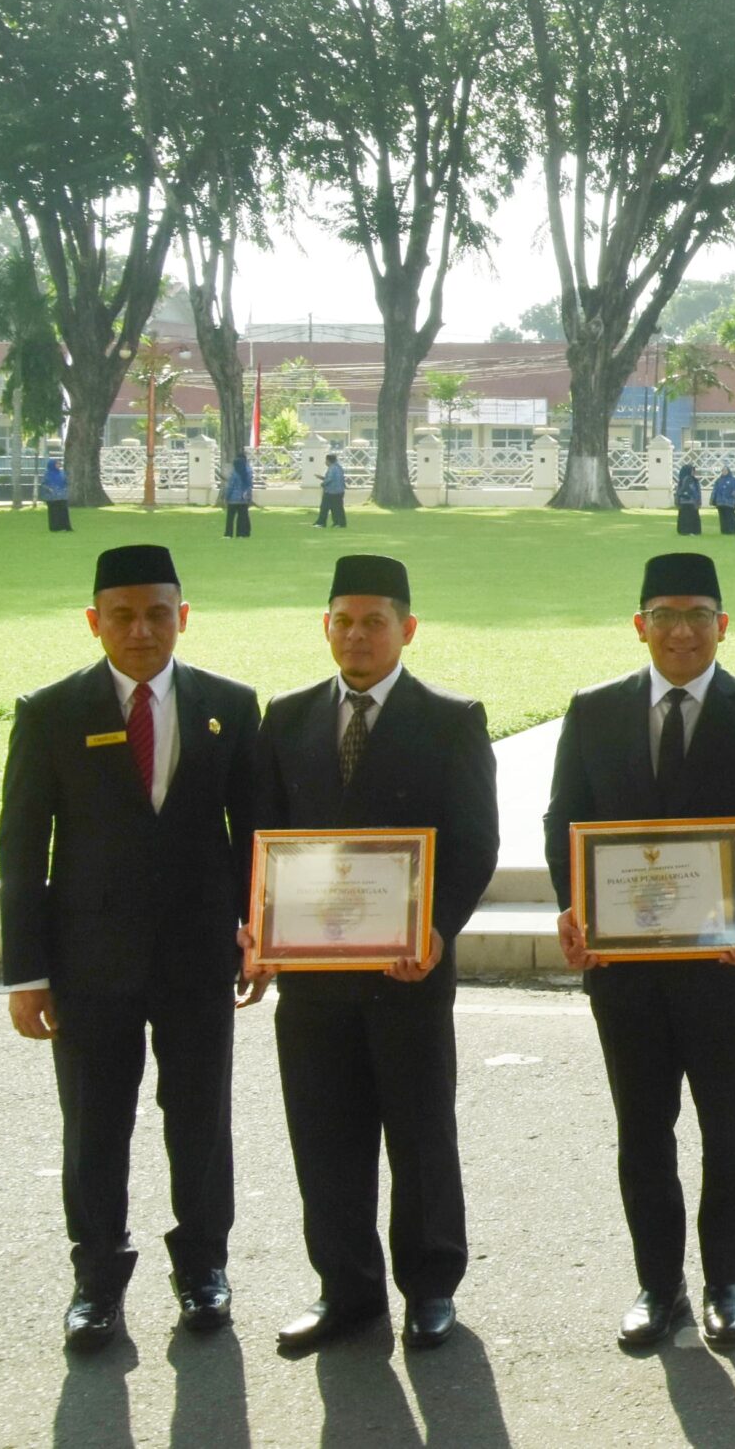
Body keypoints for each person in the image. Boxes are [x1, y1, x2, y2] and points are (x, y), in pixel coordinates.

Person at [545, 553, 735, 1349]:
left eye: (698, 615)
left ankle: (726, 1282)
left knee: (729, 1127)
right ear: (639, 626)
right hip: (625, 969)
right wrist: (573, 905)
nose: (681, 631)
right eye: (664, 615)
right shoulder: (592, 710)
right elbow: (562, 822)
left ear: (722, 626)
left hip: (725, 969)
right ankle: (657, 1284)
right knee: (643, 1129)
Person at [0, 545, 260, 1352]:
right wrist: (27, 972)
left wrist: (261, 936)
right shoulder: (49, 711)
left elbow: (254, 834)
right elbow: (20, 845)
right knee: (95, 1124)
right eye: (122, 614)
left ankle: (205, 1270)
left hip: (198, 957)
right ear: (94, 621)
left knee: (201, 1120)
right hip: (88, 965)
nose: (141, 630)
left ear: (184, 616)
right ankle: (96, 1279)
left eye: (157, 613)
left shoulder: (230, 705)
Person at [246, 556, 498, 1355]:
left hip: (409, 970)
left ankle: (430, 1288)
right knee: (324, 1135)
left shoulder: (450, 718)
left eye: (375, 622)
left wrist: (437, 928)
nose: (357, 636)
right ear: (326, 627)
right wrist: (253, 926)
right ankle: (345, 1290)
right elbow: (258, 839)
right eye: (343, 622)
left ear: (407, 629)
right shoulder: (283, 719)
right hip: (314, 978)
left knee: (420, 1133)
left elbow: (474, 841)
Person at [224, 450, 255, 539]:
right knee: (242, 517)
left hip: (233, 499)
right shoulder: (248, 472)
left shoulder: (234, 473)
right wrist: (248, 496)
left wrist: (227, 497)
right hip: (243, 499)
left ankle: (228, 534)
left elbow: (230, 486)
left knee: (230, 517)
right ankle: (241, 534)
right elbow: (249, 485)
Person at [316, 453, 349, 528]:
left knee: (324, 507)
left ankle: (321, 523)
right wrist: (322, 478)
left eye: (326, 460)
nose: (325, 462)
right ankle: (339, 523)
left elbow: (330, 479)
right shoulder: (339, 467)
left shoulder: (332, 468)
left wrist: (323, 484)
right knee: (337, 508)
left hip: (331, 491)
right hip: (339, 491)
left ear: (328, 460)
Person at [41, 455, 72, 533]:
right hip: (52, 497)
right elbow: (43, 484)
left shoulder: (62, 473)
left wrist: (65, 488)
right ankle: (55, 528)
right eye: (57, 464)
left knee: (64, 512)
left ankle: (66, 527)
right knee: (54, 513)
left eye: (59, 464)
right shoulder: (47, 474)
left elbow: (66, 482)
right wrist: (49, 489)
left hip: (62, 496)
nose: (59, 465)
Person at [672, 463, 702, 537]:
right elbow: (692, 490)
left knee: (684, 517)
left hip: (685, 501)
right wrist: (696, 500)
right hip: (689, 501)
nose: (693, 472)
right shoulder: (688, 479)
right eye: (692, 470)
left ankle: (684, 530)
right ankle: (690, 531)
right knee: (689, 517)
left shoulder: (683, 479)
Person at [709, 467, 735, 535]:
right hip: (720, 502)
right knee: (722, 518)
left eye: (725, 470)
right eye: (723, 471)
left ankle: (732, 530)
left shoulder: (733, 480)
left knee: (730, 517)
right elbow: (715, 490)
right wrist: (712, 499)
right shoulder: (719, 480)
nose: (724, 472)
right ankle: (724, 531)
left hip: (729, 502)